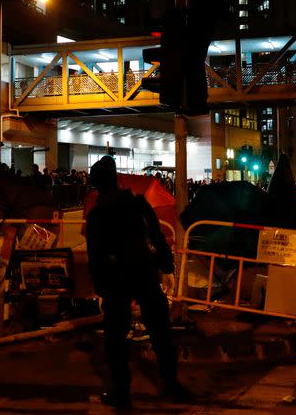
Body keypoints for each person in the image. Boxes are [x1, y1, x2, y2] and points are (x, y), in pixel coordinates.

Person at [84, 156, 190, 409]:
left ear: (97, 184)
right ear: (116, 179)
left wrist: (100, 285)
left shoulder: (98, 214)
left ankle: (122, 393)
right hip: (145, 275)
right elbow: (157, 236)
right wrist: (166, 265)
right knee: (160, 334)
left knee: (116, 340)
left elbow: (95, 253)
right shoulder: (139, 204)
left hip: (116, 280)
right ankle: (171, 384)